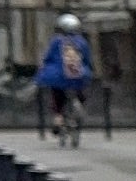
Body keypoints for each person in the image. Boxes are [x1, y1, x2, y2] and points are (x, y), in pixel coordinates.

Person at [34, 12, 93, 146]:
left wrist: (43, 70)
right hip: (78, 75)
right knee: (81, 92)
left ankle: (58, 119)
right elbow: (87, 59)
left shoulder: (56, 41)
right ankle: (78, 105)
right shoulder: (81, 42)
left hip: (58, 76)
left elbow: (48, 58)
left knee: (57, 97)